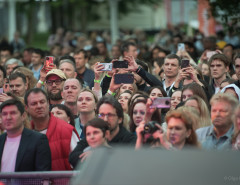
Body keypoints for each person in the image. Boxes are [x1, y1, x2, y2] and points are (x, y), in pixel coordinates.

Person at [69, 95, 136, 168]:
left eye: (110, 115)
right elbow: (73, 158)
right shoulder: (93, 136)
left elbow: (127, 162)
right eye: (102, 115)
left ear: (120, 119)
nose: (105, 119)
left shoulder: (130, 139)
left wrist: (98, 154)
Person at [24, 88, 79, 171]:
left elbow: (80, 165)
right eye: (34, 103)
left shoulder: (66, 130)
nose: (39, 106)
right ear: (26, 108)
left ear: (48, 104)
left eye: (42, 102)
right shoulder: (23, 134)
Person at [0, 99, 51, 172]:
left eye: (13, 113)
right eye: (4, 114)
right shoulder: (1, 140)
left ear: (23, 116)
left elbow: (43, 175)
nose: (8, 117)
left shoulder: (38, 140)